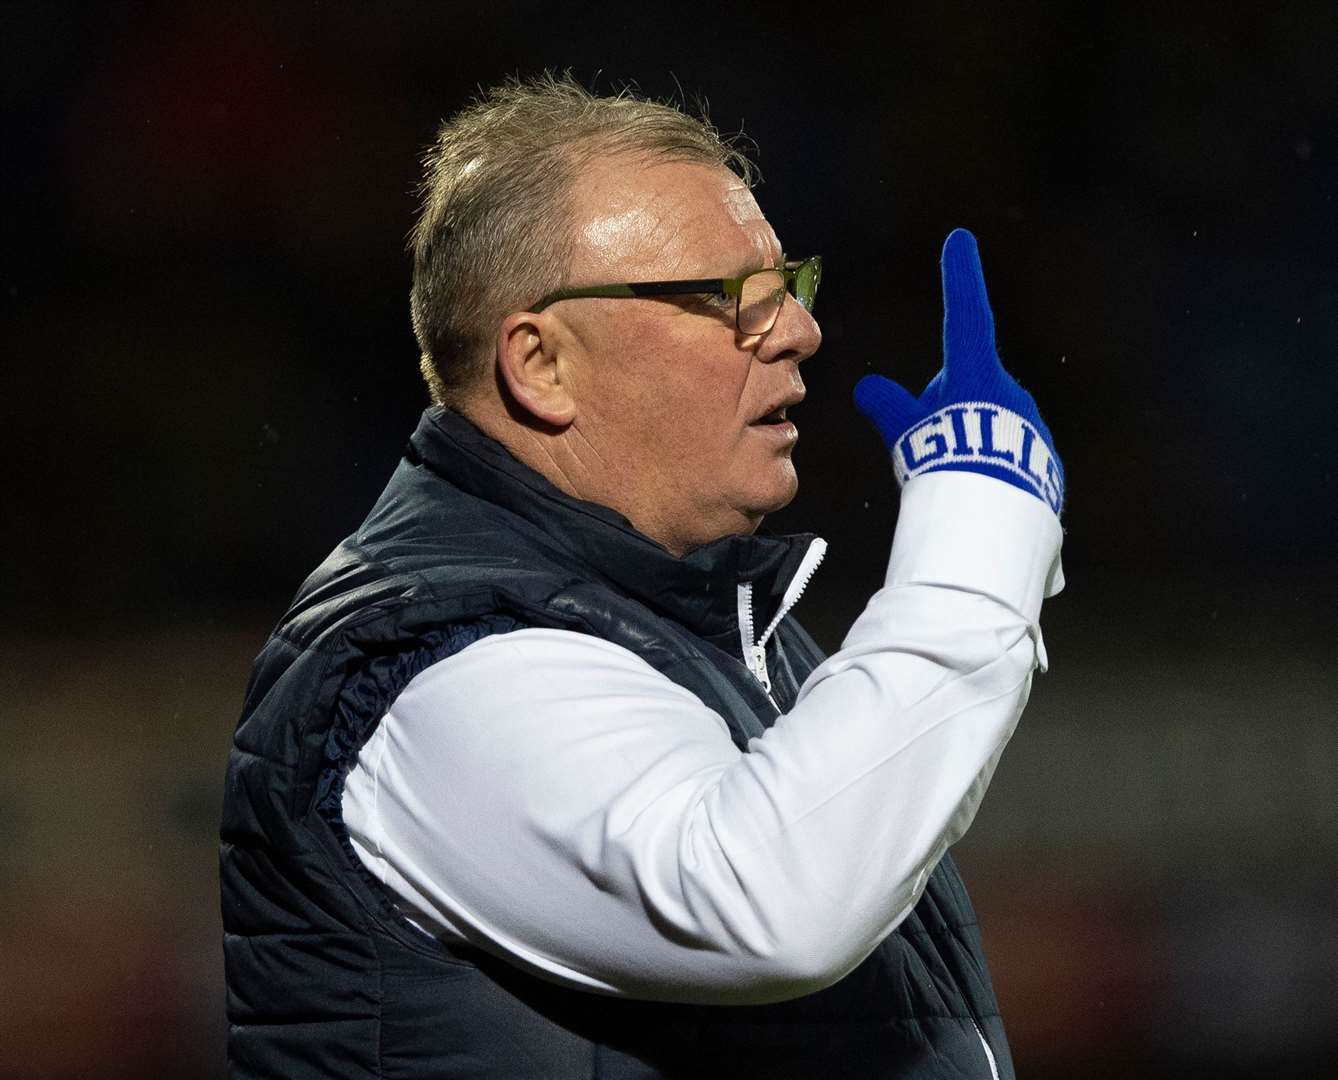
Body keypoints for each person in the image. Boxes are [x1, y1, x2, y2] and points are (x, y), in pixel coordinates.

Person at [220, 74, 1064, 1080]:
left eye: (788, 284)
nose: (799, 331)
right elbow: (767, 898)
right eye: (727, 299)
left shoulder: (709, 620)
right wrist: (979, 533)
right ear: (541, 364)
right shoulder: (436, 661)